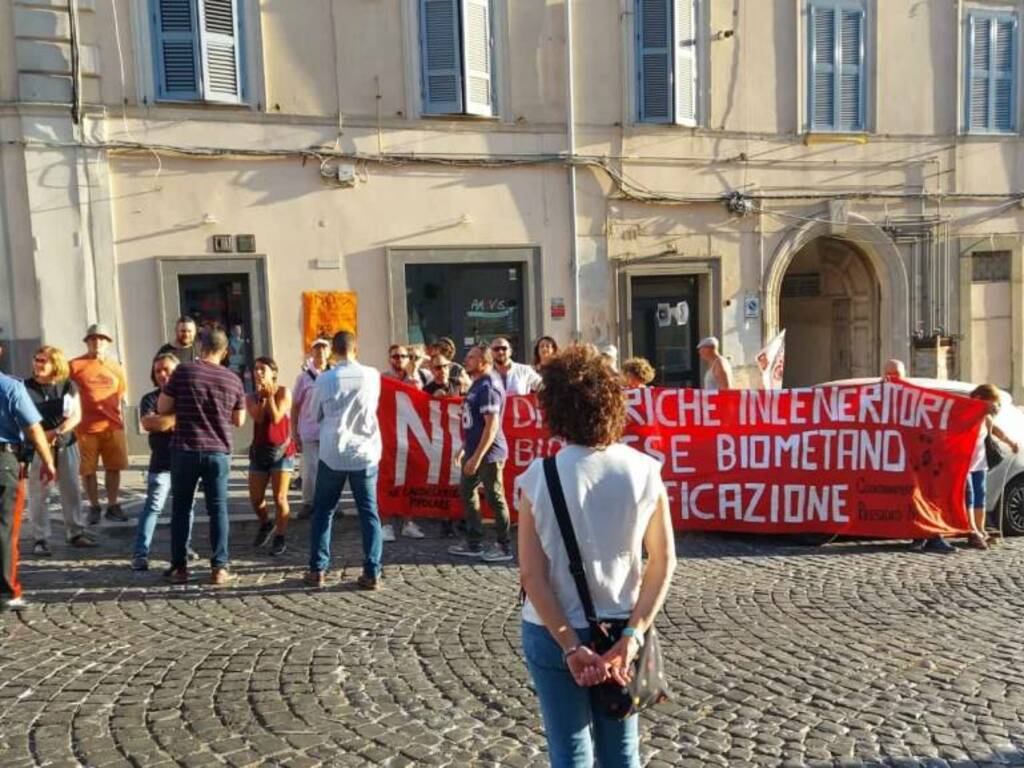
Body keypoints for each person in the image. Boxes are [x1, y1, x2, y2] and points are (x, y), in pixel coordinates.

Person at [517, 344, 677, 767]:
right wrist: (633, 636)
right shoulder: (644, 470)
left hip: (553, 631)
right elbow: (663, 561)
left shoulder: (538, 477)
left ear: (552, 407)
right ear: (613, 401)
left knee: (570, 753)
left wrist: (571, 647)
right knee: (622, 751)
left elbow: (532, 577)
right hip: (622, 627)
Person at [158, 329, 246, 585]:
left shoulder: (184, 372)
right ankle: (219, 567)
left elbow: (163, 407)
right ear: (225, 351)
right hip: (218, 450)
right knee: (218, 509)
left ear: (200, 347)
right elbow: (239, 420)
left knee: (182, 509)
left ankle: (179, 567)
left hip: (185, 448)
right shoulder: (233, 379)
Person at [305, 331, 385, 590]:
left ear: (334, 351)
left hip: (333, 452)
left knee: (323, 511)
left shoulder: (324, 379)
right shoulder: (372, 375)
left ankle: (318, 569)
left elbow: (313, 414)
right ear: (355, 348)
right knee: (369, 513)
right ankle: (372, 571)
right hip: (364, 452)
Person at [0, 340, 57, 611]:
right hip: (4, 461)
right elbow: (34, 429)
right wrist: (48, 461)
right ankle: (7, 591)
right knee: (5, 529)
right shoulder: (10, 386)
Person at [24, 346, 95, 554]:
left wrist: (56, 432)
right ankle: (40, 538)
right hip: (38, 446)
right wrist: (40, 437)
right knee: (39, 493)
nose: (37, 364)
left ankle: (75, 532)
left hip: (66, 444)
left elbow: (76, 416)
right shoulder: (25, 388)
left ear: (55, 364)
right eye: (36, 360)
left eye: (42, 361)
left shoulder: (68, 386)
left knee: (71, 489)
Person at [132, 353, 199, 571]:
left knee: (186, 508)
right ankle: (140, 553)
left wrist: (166, 421)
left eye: (167, 369)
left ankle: (184, 547)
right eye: (158, 370)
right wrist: (178, 418)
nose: (162, 374)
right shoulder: (149, 399)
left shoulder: (189, 395)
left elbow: (194, 423)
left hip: (186, 460)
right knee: (153, 506)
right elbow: (150, 424)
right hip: (161, 463)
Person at [448, 344, 513, 562]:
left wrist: (476, 457)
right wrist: (465, 447)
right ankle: (474, 541)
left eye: (471, 357)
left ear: (484, 362)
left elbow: (491, 426)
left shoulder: (488, 386)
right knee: (467, 491)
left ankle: (504, 545)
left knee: (495, 497)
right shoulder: (477, 384)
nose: (466, 360)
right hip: (474, 450)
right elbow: (474, 423)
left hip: (490, 453)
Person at [69, 323, 129, 524]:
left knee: (114, 467)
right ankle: (94, 506)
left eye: (102, 339)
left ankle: (113, 504)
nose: (97, 342)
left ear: (108, 343)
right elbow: (66, 394)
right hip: (84, 428)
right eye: (93, 338)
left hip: (112, 426)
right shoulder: (74, 366)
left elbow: (120, 394)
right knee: (88, 470)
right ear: (87, 342)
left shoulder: (116, 366)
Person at [247, 357, 296, 556]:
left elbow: (276, 418)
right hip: (259, 451)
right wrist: (262, 398)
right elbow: (258, 417)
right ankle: (266, 523)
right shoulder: (250, 396)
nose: (258, 372)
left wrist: (270, 397)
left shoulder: (284, 392)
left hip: (282, 451)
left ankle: (280, 537)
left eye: (262, 369)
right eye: (255, 369)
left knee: (280, 497)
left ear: (273, 373)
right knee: (256, 498)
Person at [965, 384, 1019, 550]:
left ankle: (981, 530)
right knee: (970, 496)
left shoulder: (985, 417)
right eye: (992, 402)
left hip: (979, 463)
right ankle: (971, 531)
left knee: (980, 496)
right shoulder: (965, 414)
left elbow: (996, 431)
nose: (994, 406)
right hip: (964, 464)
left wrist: (1011, 443)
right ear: (980, 399)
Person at [291, 338, 332, 519]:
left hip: (331, 430)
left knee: (331, 470)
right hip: (309, 430)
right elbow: (295, 406)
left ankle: (332, 503)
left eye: (324, 348)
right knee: (309, 470)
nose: (320, 351)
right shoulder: (303, 378)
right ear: (311, 352)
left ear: (329, 352)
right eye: (317, 348)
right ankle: (308, 503)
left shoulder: (335, 374)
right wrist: (294, 432)